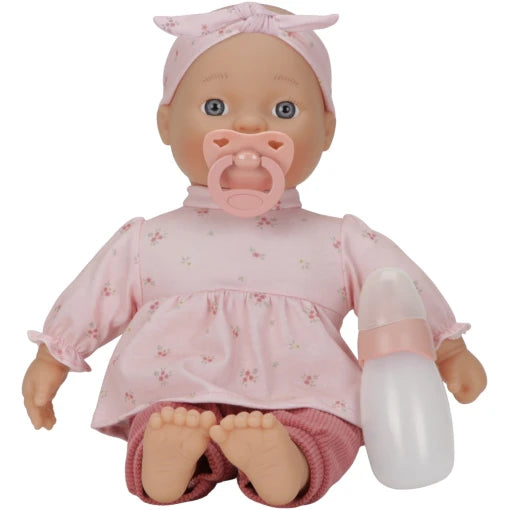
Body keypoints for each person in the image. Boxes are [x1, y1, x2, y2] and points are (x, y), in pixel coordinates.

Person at [22, 3, 487, 507]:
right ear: (166, 123)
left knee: (330, 425)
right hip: (181, 381)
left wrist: (447, 349)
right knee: (164, 414)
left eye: (283, 110)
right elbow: (94, 296)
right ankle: (169, 458)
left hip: (304, 388)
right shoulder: (147, 239)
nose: (248, 126)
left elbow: (397, 288)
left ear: (327, 130)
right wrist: (53, 356)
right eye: (215, 107)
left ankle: (286, 461)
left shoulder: (338, 239)